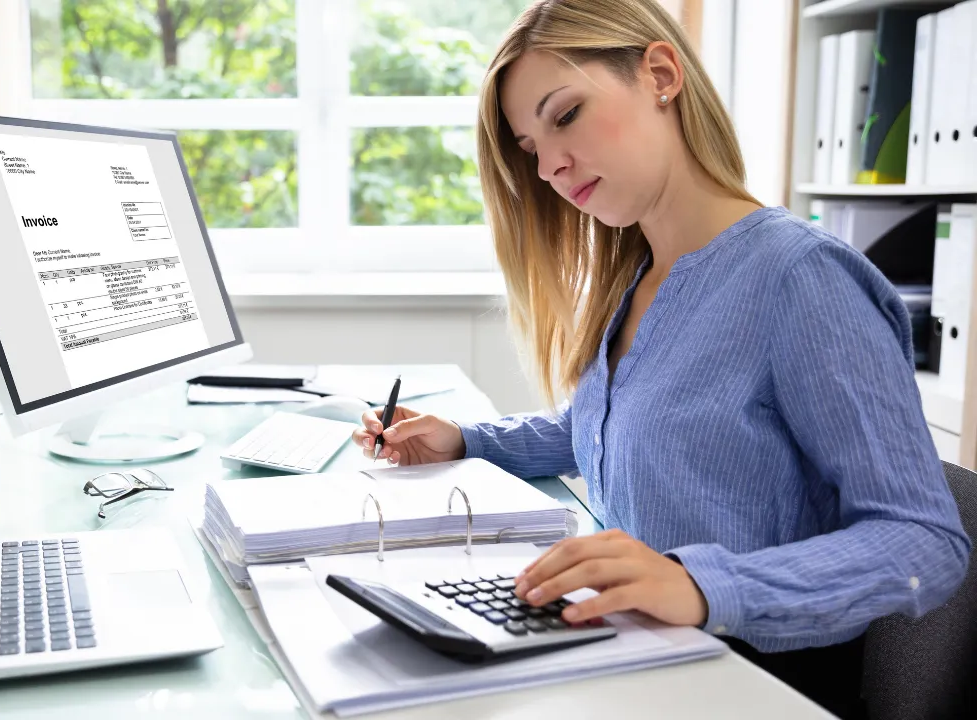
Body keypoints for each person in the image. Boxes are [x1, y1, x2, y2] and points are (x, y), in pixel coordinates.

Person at [349, 1, 970, 717]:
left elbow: (922, 539)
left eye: (566, 114)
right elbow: (628, 420)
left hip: (743, 687)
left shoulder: (800, 279)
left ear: (661, 75)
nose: (550, 165)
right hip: (637, 664)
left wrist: (703, 585)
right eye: (530, 147)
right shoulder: (641, 276)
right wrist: (467, 439)